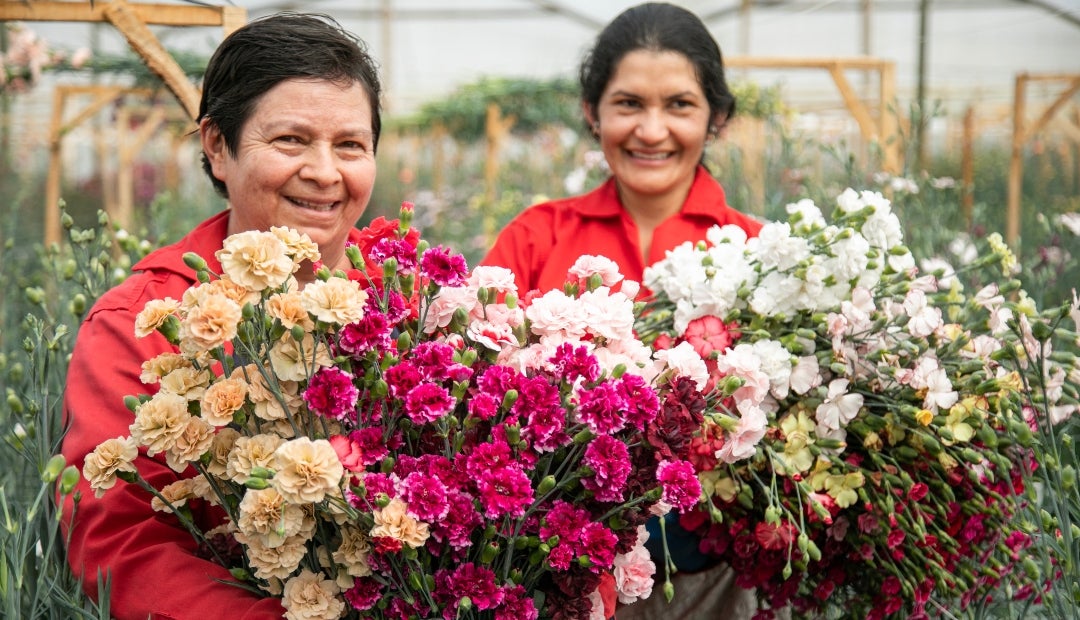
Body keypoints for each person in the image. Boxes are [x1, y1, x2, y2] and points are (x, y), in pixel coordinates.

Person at [59, 13, 381, 619]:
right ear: (217, 147)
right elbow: (121, 537)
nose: (324, 172)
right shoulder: (143, 324)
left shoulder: (415, 309)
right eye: (290, 140)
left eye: (350, 145)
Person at [482, 3, 768, 619]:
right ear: (593, 111)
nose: (652, 130)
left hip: (714, 582)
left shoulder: (758, 254)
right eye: (629, 103)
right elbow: (479, 388)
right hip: (558, 578)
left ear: (716, 116)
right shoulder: (535, 239)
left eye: (680, 105)